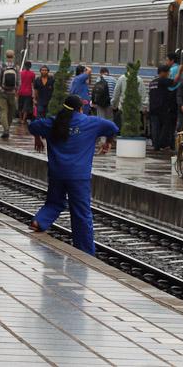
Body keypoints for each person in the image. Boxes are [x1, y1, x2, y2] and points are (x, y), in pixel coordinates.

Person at [28, 95, 118, 254]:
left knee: (55, 202)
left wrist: (38, 139)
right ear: (80, 108)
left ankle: (39, 221)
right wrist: (108, 142)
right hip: (79, 176)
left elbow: (33, 126)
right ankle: (85, 251)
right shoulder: (90, 122)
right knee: (81, 212)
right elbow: (113, 127)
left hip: (57, 173)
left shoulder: (53, 122)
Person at [148, 65, 179, 150]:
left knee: (155, 127)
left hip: (152, 108)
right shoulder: (162, 81)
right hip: (161, 108)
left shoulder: (152, 82)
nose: (169, 74)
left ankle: (156, 145)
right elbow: (174, 82)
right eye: (168, 72)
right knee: (166, 126)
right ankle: (161, 143)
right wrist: (179, 71)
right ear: (162, 73)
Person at [111, 63, 148, 131]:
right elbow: (144, 96)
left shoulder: (122, 78)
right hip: (136, 111)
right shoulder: (139, 79)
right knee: (135, 133)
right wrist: (143, 108)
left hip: (124, 110)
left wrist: (114, 105)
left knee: (123, 132)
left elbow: (116, 94)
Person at [0, 49, 20, 139]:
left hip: (3, 91)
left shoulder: (1, 66)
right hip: (12, 93)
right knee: (11, 112)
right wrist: (17, 91)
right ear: (13, 56)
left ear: (5, 56)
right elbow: (19, 80)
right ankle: (7, 128)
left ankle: (6, 129)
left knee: (3, 111)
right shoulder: (16, 67)